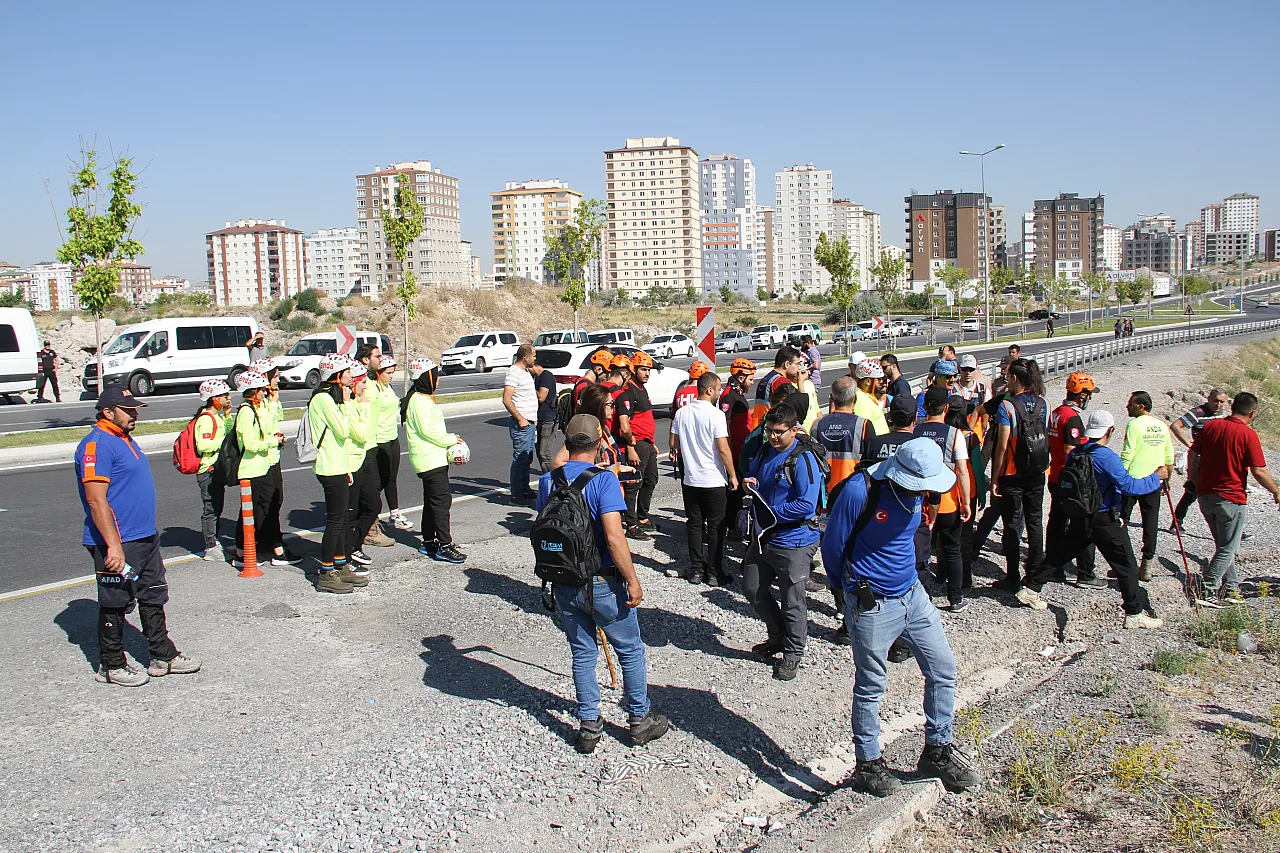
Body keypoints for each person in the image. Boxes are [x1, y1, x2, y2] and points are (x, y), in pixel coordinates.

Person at [822, 437, 980, 797]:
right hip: (872, 604)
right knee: (871, 685)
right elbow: (833, 545)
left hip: (913, 595)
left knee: (943, 668)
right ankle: (867, 765)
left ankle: (938, 751)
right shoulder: (860, 491)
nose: (925, 492)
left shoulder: (917, 492)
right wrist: (843, 593)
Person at [539, 414, 669, 754]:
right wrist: (633, 580)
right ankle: (639, 720)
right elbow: (614, 537)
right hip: (603, 581)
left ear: (567, 443)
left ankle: (589, 726)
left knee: (582, 652)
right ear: (599, 443)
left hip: (565, 580)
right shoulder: (604, 481)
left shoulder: (547, 481)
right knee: (630, 649)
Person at [75, 387, 201, 686]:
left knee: (152, 592)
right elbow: (96, 500)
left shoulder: (124, 438)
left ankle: (162, 655)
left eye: (135, 409)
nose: (135, 414)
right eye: (128, 409)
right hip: (119, 543)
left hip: (144, 537)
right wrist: (113, 546)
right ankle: (112, 664)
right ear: (108, 412)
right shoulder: (96, 445)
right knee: (116, 600)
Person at [1044, 410, 1167, 629]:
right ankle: (1134, 612)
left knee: (1059, 555)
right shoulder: (1107, 456)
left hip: (1081, 514)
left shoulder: (1077, 452)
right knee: (1126, 565)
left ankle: (1030, 587)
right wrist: (1155, 478)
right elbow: (1129, 486)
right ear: (1109, 431)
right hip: (1104, 517)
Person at [741, 403, 823, 681]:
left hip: (795, 540)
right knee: (752, 588)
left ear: (794, 429)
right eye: (769, 431)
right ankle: (777, 637)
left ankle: (793, 653)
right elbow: (753, 476)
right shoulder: (765, 451)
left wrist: (772, 512)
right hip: (764, 536)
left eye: (779, 432)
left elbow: (807, 505)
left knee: (792, 601)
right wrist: (748, 483)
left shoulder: (803, 458)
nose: (773, 436)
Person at [1188, 392, 1280, 605]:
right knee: (1229, 547)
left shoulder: (1211, 427)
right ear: (1252, 413)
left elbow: (1192, 453)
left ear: (1231, 407)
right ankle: (1207, 588)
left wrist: (1194, 479)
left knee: (1223, 545)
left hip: (1205, 495)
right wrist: (1276, 491)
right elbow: (1259, 470)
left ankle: (1231, 589)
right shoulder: (1248, 435)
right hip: (1231, 497)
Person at [813, 376, 872, 644]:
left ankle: (840, 604)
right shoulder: (863, 426)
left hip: (826, 500)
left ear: (831, 399)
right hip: (855, 499)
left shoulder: (818, 425)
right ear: (855, 399)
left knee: (832, 553)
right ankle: (855, 610)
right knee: (855, 553)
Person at [989, 358, 1051, 606]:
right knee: (1035, 522)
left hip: (1012, 473)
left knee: (1012, 525)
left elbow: (1002, 446)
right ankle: (1033, 574)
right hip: (1037, 471)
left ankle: (1012, 575)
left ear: (1015, 378)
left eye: (1008, 377)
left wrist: (995, 477)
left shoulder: (1008, 406)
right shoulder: (1044, 403)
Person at [306, 355, 368, 594]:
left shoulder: (331, 398)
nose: (352, 377)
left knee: (341, 520)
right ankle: (326, 572)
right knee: (335, 521)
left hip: (338, 466)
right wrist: (347, 404)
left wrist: (346, 468)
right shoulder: (323, 399)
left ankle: (340, 566)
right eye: (348, 373)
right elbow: (342, 431)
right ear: (337, 375)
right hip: (329, 467)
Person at [671, 372, 738, 585]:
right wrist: (733, 474)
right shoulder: (716, 414)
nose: (719, 392)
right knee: (716, 526)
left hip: (691, 479)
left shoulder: (681, 413)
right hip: (713, 479)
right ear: (709, 390)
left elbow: (674, 443)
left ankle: (697, 570)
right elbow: (723, 449)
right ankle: (714, 572)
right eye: (718, 389)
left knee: (695, 525)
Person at [914, 388, 973, 611]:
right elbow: (962, 471)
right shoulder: (955, 434)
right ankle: (955, 598)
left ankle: (921, 597)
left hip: (921, 500)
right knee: (952, 548)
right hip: (948, 500)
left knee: (920, 549)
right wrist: (966, 501)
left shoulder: (916, 431)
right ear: (946, 408)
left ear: (925, 407)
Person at [402, 358, 466, 563]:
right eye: (435, 377)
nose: (438, 381)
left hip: (432, 458)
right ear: (426, 378)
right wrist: (451, 439)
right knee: (441, 502)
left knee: (431, 502)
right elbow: (428, 431)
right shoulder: (419, 402)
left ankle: (429, 541)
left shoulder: (422, 398)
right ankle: (445, 546)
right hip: (429, 460)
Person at [1044, 373, 1099, 587]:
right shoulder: (1072, 418)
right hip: (1070, 479)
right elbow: (1070, 449)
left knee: (1056, 522)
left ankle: (1054, 567)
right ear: (1082, 395)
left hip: (1055, 474)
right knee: (1082, 525)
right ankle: (1085, 573)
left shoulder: (1057, 412)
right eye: (1088, 394)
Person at [232, 370, 287, 569]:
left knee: (265, 508)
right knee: (249, 512)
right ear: (253, 391)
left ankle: (265, 547)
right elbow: (251, 444)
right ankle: (241, 552)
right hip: (251, 470)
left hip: (261, 467)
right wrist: (273, 442)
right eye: (262, 390)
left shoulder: (257, 407)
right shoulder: (246, 412)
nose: (265, 393)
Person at [250, 357, 300, 566]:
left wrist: (274, 399)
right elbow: (265, 430)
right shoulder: (254, 406)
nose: (277, 380)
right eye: (275, 376)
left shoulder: (267, 400)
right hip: (261, 461)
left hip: (272, 458)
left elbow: (278, 418)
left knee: (274, 502)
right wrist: (273, 439)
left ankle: (267, 542)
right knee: (264, 505)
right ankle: (274, 547)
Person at [1120, 391, 1174, 581]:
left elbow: (1128, 453)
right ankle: (1147, 565)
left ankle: (1124, 561)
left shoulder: (1134, 425)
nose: (1127, 407)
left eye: (1131, 404)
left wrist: (1119, 477)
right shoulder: (1161, 426)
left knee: (1120, 520)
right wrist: (1167, 480)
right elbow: (1169, 457)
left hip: (1133, 480)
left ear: (1141, 406)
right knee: (1151, 523)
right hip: (1154, 480)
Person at [1169, 389, 1229, 529]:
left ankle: (1230, 527)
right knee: (1192, 492)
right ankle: (1177, 522)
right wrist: (1190, 444)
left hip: (1216, 460)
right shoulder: (1198, 413)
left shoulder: (1220, 414)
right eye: (1215, 400)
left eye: (1222, 402)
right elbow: (1175, 426)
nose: (1218, 404)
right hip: (1200, 460)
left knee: (1223, 493)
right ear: (1208, 399)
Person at [615, 351, 660, 539]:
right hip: (637, 444)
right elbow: (625, 425)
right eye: (643, 369)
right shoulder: (629, 391)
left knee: (651, 479)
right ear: (634, 369)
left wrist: (652, 442)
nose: (647, 373)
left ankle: (642, 516)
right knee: (634, 484)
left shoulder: (642, 389)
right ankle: (631, 524)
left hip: (646, 443)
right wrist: (631, 447)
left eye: (649, 370)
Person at [368, 357, 414, 532]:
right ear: (378, 373)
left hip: (392, 436)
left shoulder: (388, 387)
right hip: (379, 439)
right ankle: (370, 515)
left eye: (393, 373)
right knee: (378, 481)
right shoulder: (372, 388)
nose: (391, 376)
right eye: (388, 373)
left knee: (391, 479)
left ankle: (395, 514)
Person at [344, 362, 381, 569]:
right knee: (350, 512)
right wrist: (365, 407)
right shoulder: (349, 404)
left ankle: (354, 544)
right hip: (350, 462)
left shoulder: (357, 401)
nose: (366, 387)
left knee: (373, 505)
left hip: (364, 456)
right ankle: (346, 554)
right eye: (363, 383)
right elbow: (361, 434)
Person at [719, 358, 757, 546]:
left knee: (739, 492)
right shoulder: (728, 396)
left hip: (741, 451)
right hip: (734, 452)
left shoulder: (737, 393)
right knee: (734, 492)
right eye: (751, 379)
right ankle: (732, 527)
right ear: (741, 378)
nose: (752, 382)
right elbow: (724, 426)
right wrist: (729, 451)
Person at [193, 379, 231, 561]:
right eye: (224, 395)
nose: (228, 398)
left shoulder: (216, 418)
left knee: (217, 507)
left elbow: (228, 432)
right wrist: (222, 444)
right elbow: (203, 445)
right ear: (214, 398)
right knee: (211, 509)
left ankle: (215, 542)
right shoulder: (206, 419)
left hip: (216, 470)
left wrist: (227, 415)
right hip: (207, 470)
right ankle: (210, 546)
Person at [503, 344, 539, 503]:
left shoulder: (525, 372)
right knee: (520, 459)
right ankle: (517, 494)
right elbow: (507, 399)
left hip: (530, 422)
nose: (535, 358)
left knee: (527, 457)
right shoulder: (514, 372)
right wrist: (520, 418)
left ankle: (525, 489)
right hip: (522, 424)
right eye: (533, 355)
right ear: (525, 357)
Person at [752, 346, 802, 429]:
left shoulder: (767, 379)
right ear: (787, 364)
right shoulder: (781, 382)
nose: (799, 367)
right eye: (797, 364)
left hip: (760, 424)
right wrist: (800, 382)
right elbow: (797, 407)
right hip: (772, 426)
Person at [531, 358, 558, 475]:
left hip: (549, 418)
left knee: (544, 452)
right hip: (540, 418)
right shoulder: (537, 377)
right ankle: (546, 476)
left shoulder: (546, 376)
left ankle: (554, 478)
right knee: (539, 451)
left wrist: (530, 387)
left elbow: (541, 397)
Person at [852, 359, 889, 436]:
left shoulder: (867, 394)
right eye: (878, 379)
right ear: (868, 381)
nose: (881, 382)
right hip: (874, 442)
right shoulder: (860, 399)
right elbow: (862, 428)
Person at [796, 354, 821, 433]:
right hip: (801, 432)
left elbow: (817, 410)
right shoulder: (789, 386)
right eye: (806, 370)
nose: (809, 373)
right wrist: (800, 383)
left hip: (813, 432)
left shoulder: (809, 384)